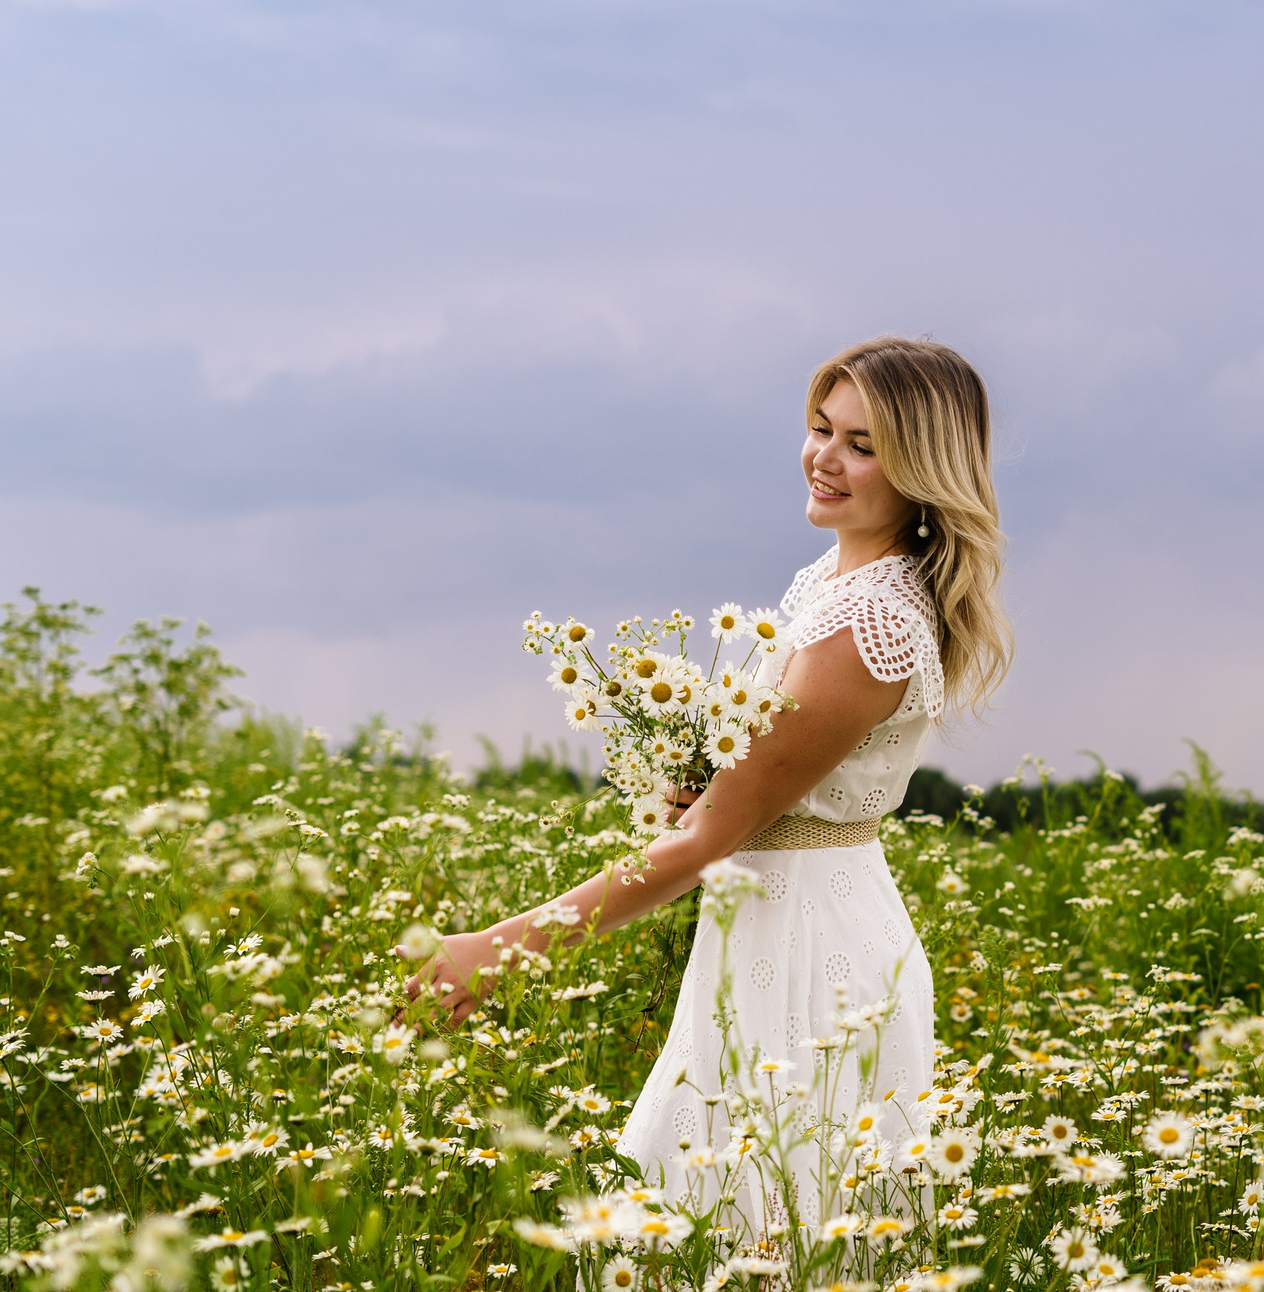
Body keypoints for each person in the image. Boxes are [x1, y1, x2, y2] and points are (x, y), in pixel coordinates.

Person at [406, 337, 1010, 1232]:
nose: (825, 458)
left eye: (862, 444)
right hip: (773, 915)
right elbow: (758, 794)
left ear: (922, 466)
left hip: (811, 949)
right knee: (720, 1216)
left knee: (742, 1223)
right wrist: (714, 781)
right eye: (820, 428)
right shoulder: (835, 581)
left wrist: (496, 949)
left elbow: (705, 843)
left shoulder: (871, 619)